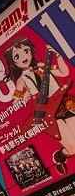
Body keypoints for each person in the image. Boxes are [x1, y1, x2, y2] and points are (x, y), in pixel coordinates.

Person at [4, 38, 75, 174]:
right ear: (13, 62)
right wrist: (23, 99)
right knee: (72, 148)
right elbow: (15, 103)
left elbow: (64, 73)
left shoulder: (43, 66)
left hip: (64, 103)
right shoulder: (21, 80)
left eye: (26, 51)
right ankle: (59, 157)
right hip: (47, 113)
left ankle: (60, 155)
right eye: (17, 56)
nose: (24, 57)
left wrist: (58, 55)